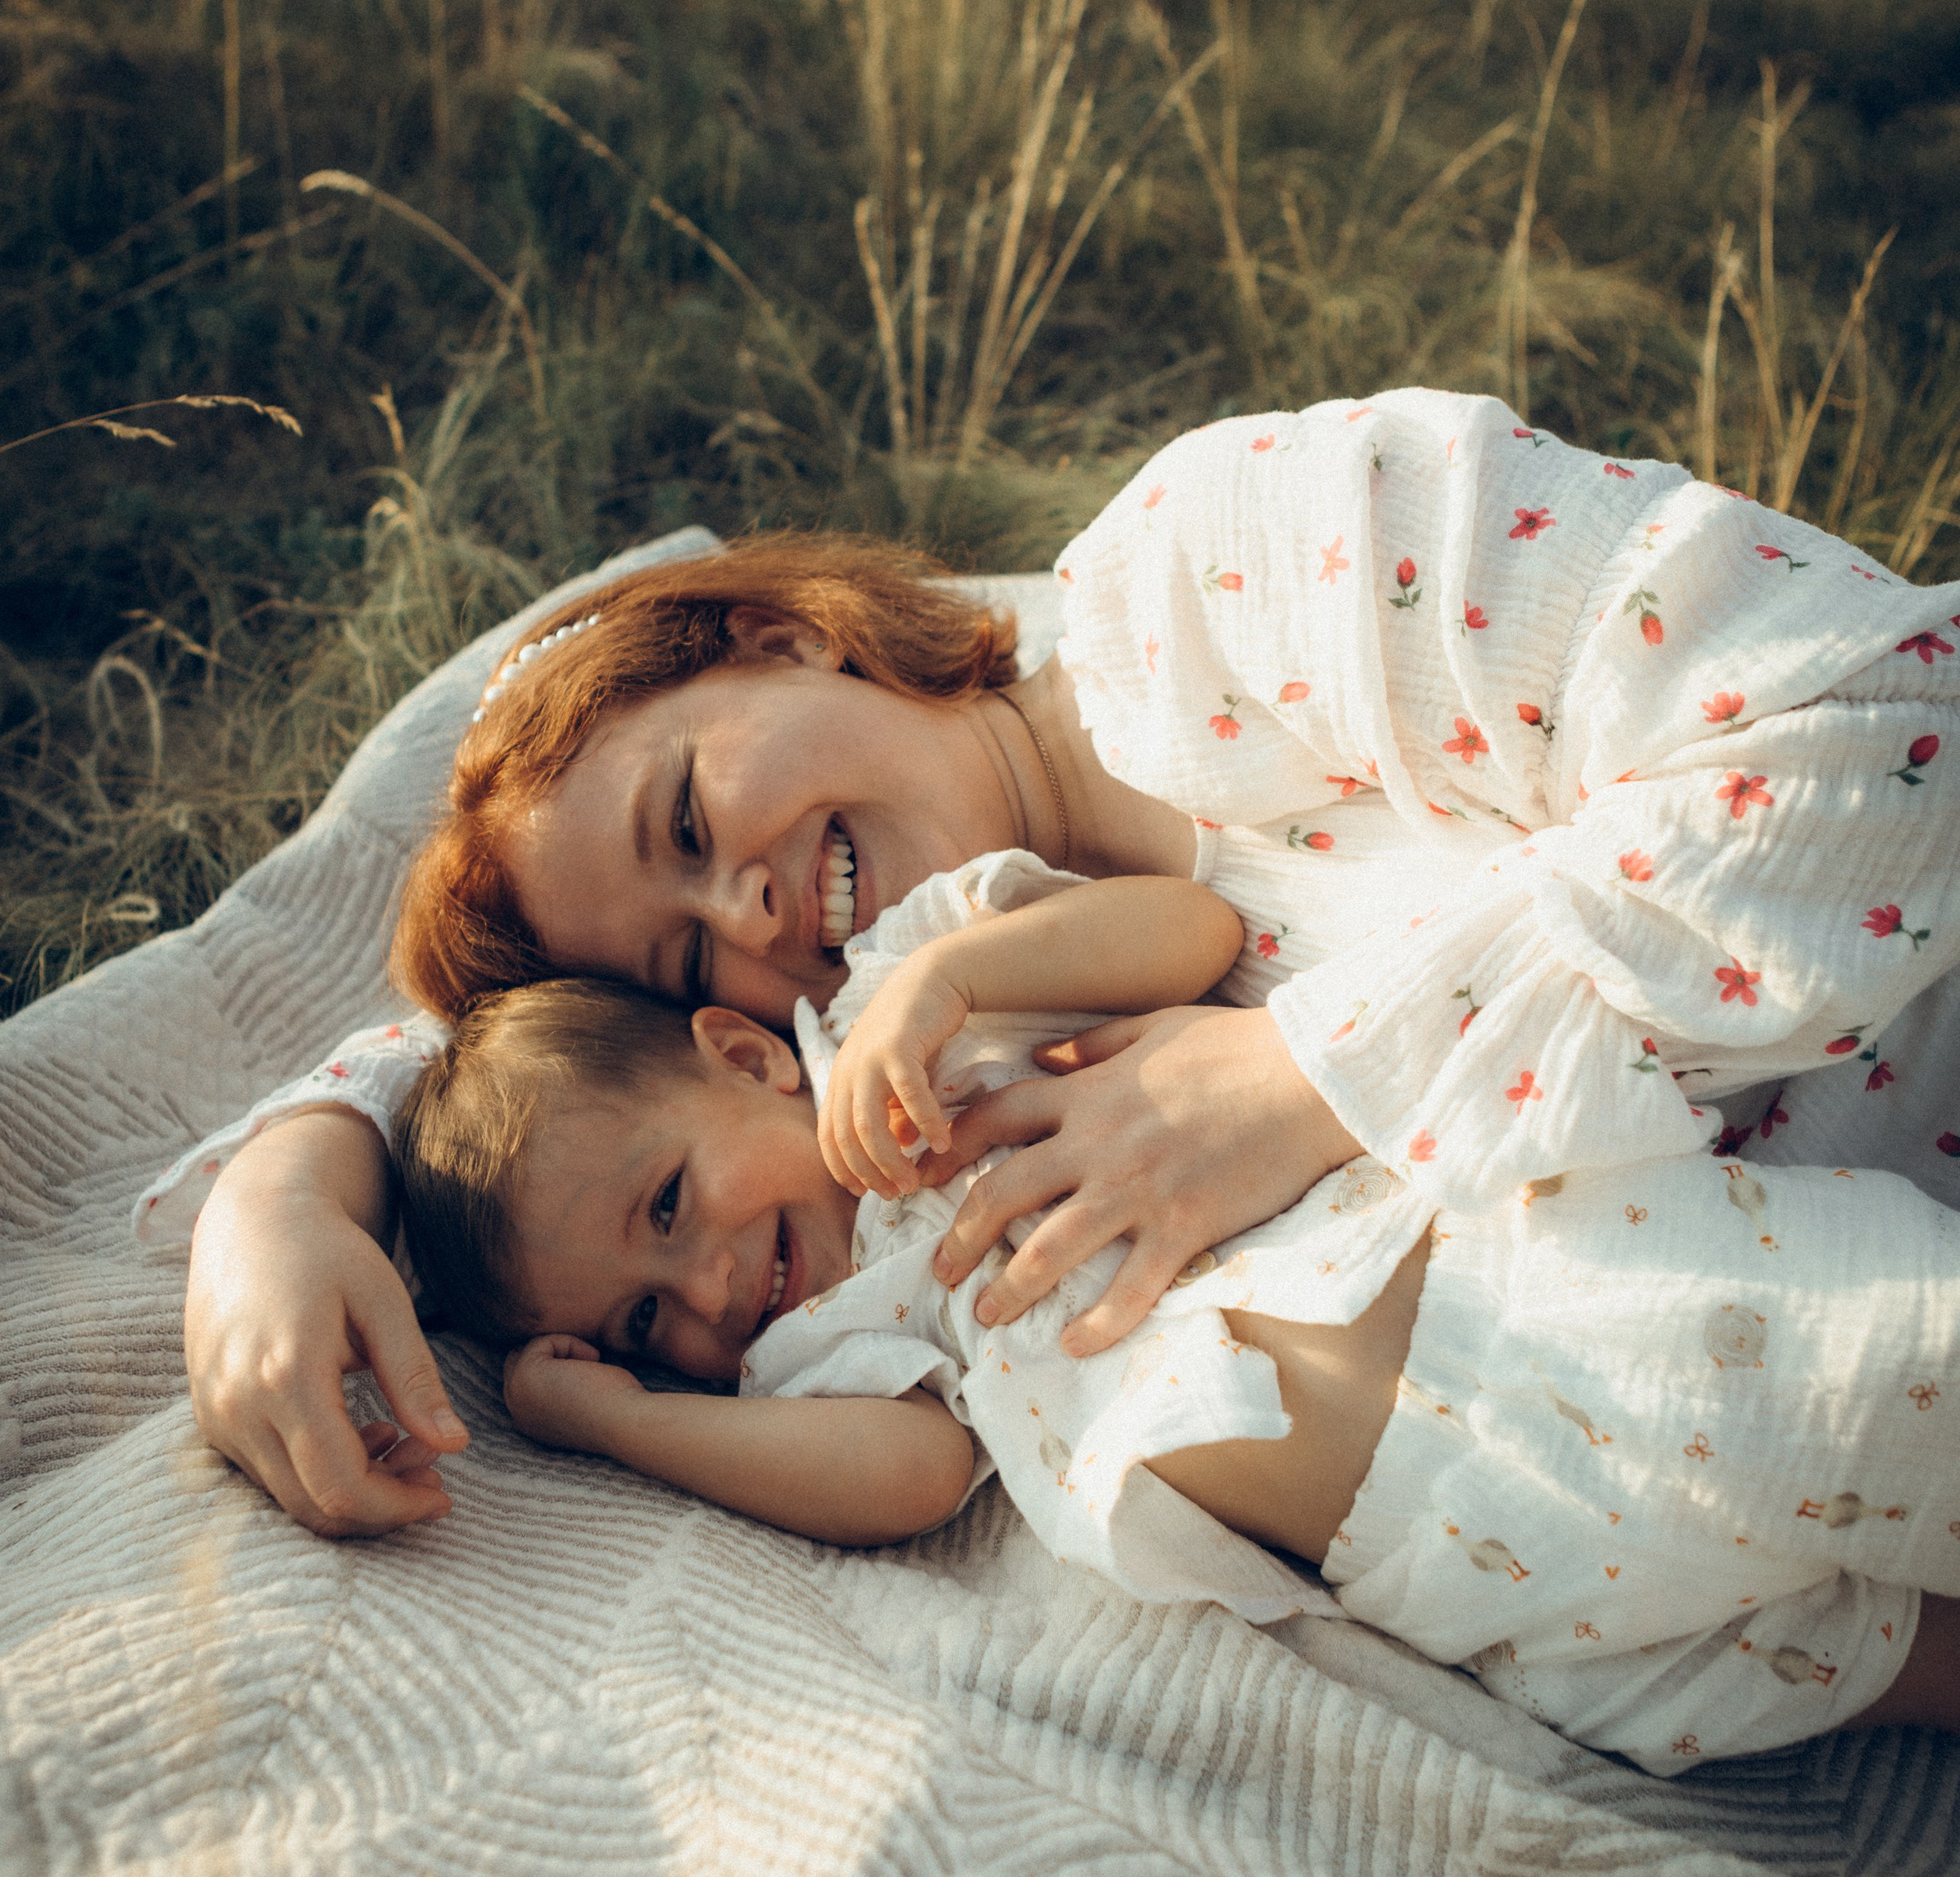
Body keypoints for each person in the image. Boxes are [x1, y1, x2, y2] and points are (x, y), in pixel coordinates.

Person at [149, 387, 1960, 1540]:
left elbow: (1889, 730)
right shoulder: (981, 1031)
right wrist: (285, 1203)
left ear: (771, 634)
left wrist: (1306, 1077)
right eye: (692, 949)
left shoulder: (1227, 570)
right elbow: (541, 1100)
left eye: (691, 819)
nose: (756, 918)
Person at [385, 852, 1960, 1777]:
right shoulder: (822, 1358)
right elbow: (912, 1479)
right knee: (1858, 1662)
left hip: (1567, 1309)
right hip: (1484, 1585)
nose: (708, 1292)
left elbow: (1189, 931)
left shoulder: (910, 1008)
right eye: (648, 1321)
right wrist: (619, 1417)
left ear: (740, 1058)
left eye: (669, 1210)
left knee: (1880, 1375)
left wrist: (951, 977)